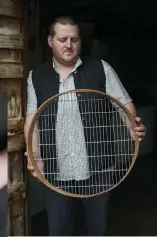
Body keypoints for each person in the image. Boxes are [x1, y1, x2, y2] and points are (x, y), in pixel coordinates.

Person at [24, 15, 146, 236]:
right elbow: (32, 120)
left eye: (74, 39)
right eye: (63, 40)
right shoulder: (35, 77)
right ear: (50, 42)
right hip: (56, 176)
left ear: (80, 40)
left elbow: (123, 103)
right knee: (59, 231)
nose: (69, 45)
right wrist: (36, 155)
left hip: (99, 172)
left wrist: (131, 125)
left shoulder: (101, 68)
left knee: (97, 230)